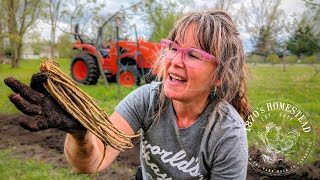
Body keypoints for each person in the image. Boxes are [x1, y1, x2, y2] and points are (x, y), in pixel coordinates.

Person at [4, 9, 250, 180]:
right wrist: (81, 134)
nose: (174, 60)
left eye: (194, 54)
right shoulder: (148, 100)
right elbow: (92, 163)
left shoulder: (227, 133)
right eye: (173, 48)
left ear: (219, 75)